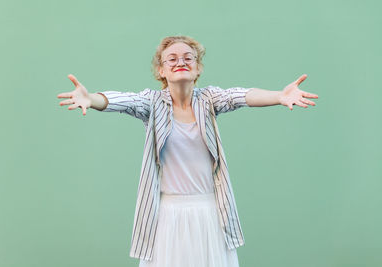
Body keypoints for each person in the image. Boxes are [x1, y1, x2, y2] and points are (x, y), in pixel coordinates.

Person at [57, 35, 318, 267]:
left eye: (188, 57)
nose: (180, 61)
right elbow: (122, 101)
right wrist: (91, 99)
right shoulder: (152, 102)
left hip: (210, 213)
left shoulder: (208, 100)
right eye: (171, 59)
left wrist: (279, 96)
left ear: (198, 68)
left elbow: (240, 95)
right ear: (161, 70)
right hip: (167, 216)